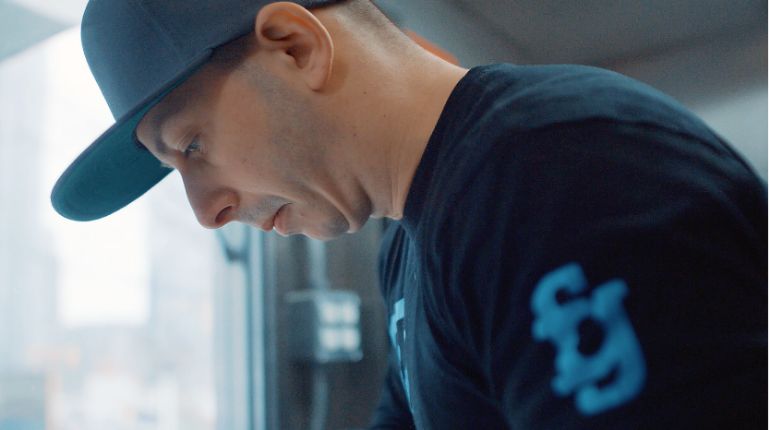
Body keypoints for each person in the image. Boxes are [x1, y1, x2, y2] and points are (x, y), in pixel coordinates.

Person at [52, 0, 767, 428]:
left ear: (296, 48)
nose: (206, 211)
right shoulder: (413, 243)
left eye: (192, 146)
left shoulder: (557, 175)